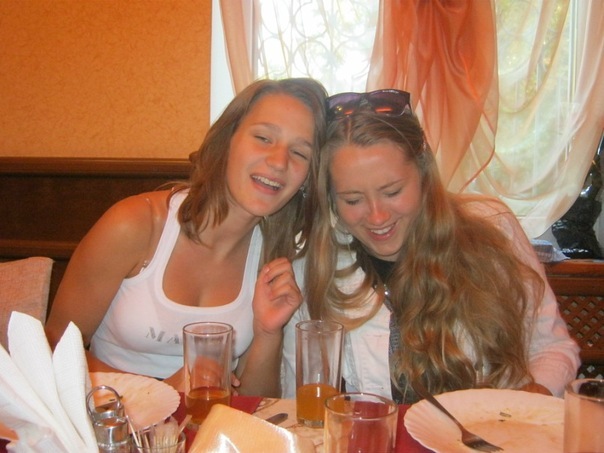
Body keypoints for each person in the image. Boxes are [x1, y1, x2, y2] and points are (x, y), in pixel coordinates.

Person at [282, 89, 580, 403]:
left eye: (392, 191)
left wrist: (527, 402)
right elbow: (297, 400)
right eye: (353, 200)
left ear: (424, 174)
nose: (377, 216)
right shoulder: (314, 271)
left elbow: (552, 349)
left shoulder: (494, 229)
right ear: (330, 198)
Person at [45, 77, 328, 397]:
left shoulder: (274, 258)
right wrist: (160, 393)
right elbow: (52, 348)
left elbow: (254, 403)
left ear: (307, 178)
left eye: (299, 153)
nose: (278, 162)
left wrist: (267, 332)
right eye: (263, 138)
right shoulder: (135, 226)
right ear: (227, 140)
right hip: (106, 421)